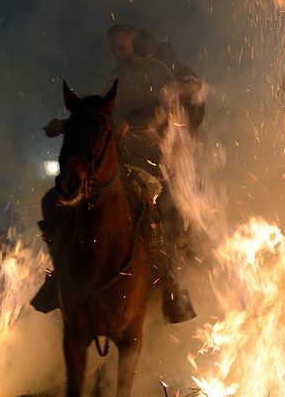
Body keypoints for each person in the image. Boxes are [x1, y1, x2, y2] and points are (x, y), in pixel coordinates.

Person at [32, 25, 203, 324]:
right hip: (119, 159)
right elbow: (99, 117)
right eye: (114, 49)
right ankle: (60, 274)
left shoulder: (160, 71)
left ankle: (172, 287)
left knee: (162, 210)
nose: (117, 53)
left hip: (159, 158)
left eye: (121, 47)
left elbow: (166, 110)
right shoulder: (116, 79)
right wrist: (68, 124)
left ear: (138, 44)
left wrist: (129, 123)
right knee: (59, 202)